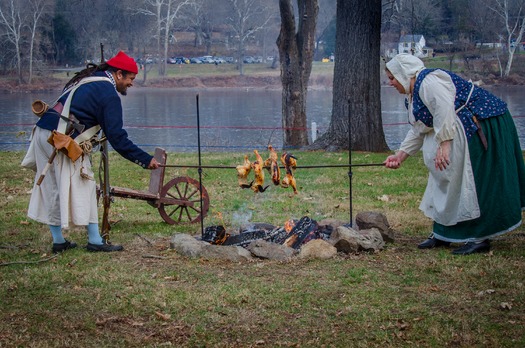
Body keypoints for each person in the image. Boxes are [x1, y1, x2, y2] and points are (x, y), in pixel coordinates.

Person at [383, 53, 525, 255]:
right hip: (458, 129)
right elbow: (420, 128)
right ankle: (444, 234)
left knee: (473, 181)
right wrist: (400, 155)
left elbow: (445, 109)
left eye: (392, 78)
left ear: (404, 73)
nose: (390, 83)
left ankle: (479, 237)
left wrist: (445, 144)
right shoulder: (413, 94)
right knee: (445, 178)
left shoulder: (429, 82)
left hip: (482, 125)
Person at [23, 51, 160, 253]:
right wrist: (145, 160)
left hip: (43, 134)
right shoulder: (108, 94)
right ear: (119, 74)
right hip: (61, 140)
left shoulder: (86, 80)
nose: (131, 84)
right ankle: (95, 241)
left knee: (52, 187)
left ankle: (59, 241)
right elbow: (118, 138)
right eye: (131, 79)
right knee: (86, 185)